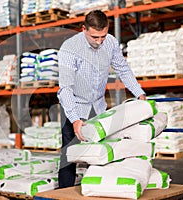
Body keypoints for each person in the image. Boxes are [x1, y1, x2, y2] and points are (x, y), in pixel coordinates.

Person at [57, 10, 146, 189]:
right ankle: (64, 192)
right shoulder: (69, 48)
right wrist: (75, 119)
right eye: (94, 37)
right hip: (74, 106)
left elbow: (123, 69)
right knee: (69, 154)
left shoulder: (111, 43)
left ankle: (98, 189)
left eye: (102, 37)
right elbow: (65, 88)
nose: (99, 42)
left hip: (98, 106)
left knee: (101, 152)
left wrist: (139, 93)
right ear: (84, 29)